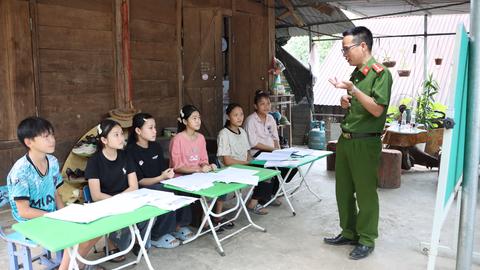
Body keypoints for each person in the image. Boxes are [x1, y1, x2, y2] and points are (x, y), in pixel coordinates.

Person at [324, 26, 393, 260]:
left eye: (347, 49)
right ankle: (348, 231)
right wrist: (346, 99)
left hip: (365, 142)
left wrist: (353, 90)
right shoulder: (356, 73)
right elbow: (359, 104)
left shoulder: (381, 73)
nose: (345, 54)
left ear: (363, 45)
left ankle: (366, 239)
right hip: (346, 140)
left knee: (365, 193)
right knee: (342, 190)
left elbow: (376, 110)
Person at [6, 117, 102, 270]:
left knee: (97, 227)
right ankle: (68, 267)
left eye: (52, 135)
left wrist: (65, 213)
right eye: (45, 136)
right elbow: (24, 212)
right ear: (29, 142)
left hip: (52, 216)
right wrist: (55, 217)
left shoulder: (52, 161)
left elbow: (56, 194)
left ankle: (76, 264)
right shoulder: (21, 171)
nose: (52, 140)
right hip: (30, 223)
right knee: (77, 236)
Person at [126, 112, 193, 246]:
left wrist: (168, 174)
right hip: (142, 188)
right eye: (150, 128)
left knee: (180, 186)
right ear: (138, 130)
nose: (155, 131)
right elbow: (139, 181)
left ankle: (178, 226)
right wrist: (162, 177)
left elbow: (163, 170)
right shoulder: (130, 151)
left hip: (159, 182)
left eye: (155, 127)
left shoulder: (155, 146)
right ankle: (157, 235)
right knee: (165, 191)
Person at [85, 119, 139, 261]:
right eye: (116, 135)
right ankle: (112, 242)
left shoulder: (126, 156)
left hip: (125, 198)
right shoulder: (94, 162)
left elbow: (134, 186)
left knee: (145, 213)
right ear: (104, 139)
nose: (122, 138)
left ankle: (132, 242)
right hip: (105, 202)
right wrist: (116, 201)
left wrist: (121, 198)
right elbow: (96, 195)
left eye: (122, 134)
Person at [169, 105, 223, 230]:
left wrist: (208, 166)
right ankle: (201, 221)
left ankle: (206, 218)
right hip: (181, 178)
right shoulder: (177, 139)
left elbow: (203, 160)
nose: (198, 121)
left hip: (197, 176)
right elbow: (176, 167)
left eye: (199, 118)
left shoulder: (201, 138)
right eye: (194, 118)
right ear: (184, 121)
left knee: (217, 185)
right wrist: (199, 169)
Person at [244, 90, 297, 209]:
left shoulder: (271, 119)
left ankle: (273, 193)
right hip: (256, 153)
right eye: (262, 104)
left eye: (268, 103)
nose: (266, 106)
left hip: (271, 152)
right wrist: (273, 150)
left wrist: (279, 152)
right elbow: (253, 143)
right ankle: (260, 199)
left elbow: (275, 138)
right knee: (272, 168)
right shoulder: (251, 120)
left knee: (291, 165)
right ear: (255, 106)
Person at [217, 103, 269, 215]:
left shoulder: (242, 132)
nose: (239, 117)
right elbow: (227, 161)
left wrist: (252, 162)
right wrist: (247, 163)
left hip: (243, 167)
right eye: (235, 115)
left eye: (241, 114)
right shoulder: (224, 134)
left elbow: (247, 154)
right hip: (228, 170)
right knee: (262, 174)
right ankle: (217, 215)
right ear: (228, 117)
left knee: (267, 173)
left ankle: (254, 203)